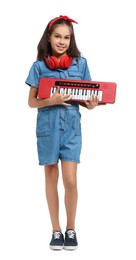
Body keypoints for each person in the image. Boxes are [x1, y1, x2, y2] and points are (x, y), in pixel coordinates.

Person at [25, 15, 99, 250]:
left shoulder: (81, 64)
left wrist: (91, 103)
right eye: (58, 36)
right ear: (49, 37)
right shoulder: (38, 67)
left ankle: (71, 228)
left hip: (71, 129)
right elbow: (31, 102)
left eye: (66, 37)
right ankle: (56, 231)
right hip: (47, 128)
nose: (62, 41)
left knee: (70, 180)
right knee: (51, 178)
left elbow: (88, 96)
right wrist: (50, 100)